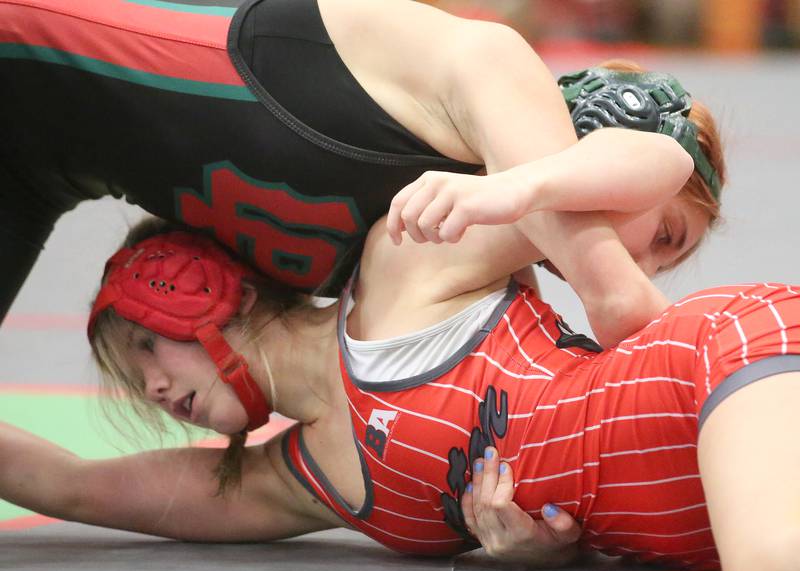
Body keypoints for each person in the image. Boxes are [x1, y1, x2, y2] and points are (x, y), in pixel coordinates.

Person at [3, 141, 798, 571]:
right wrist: (539, 555)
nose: (150, 389)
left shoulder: (401, 268)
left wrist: (519, 184)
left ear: (218, 291)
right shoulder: (294, 484)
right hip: (695, 528)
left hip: (720, 368)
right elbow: (72, 486)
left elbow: (661, 162)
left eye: (147, 348)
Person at [1, 0, 724, 348]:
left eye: (666, 262)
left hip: (29, 168)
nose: (647, 264)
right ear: (615, 131)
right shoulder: (494, 68)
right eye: (664, 232)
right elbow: (623, 306)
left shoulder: (472, 244)